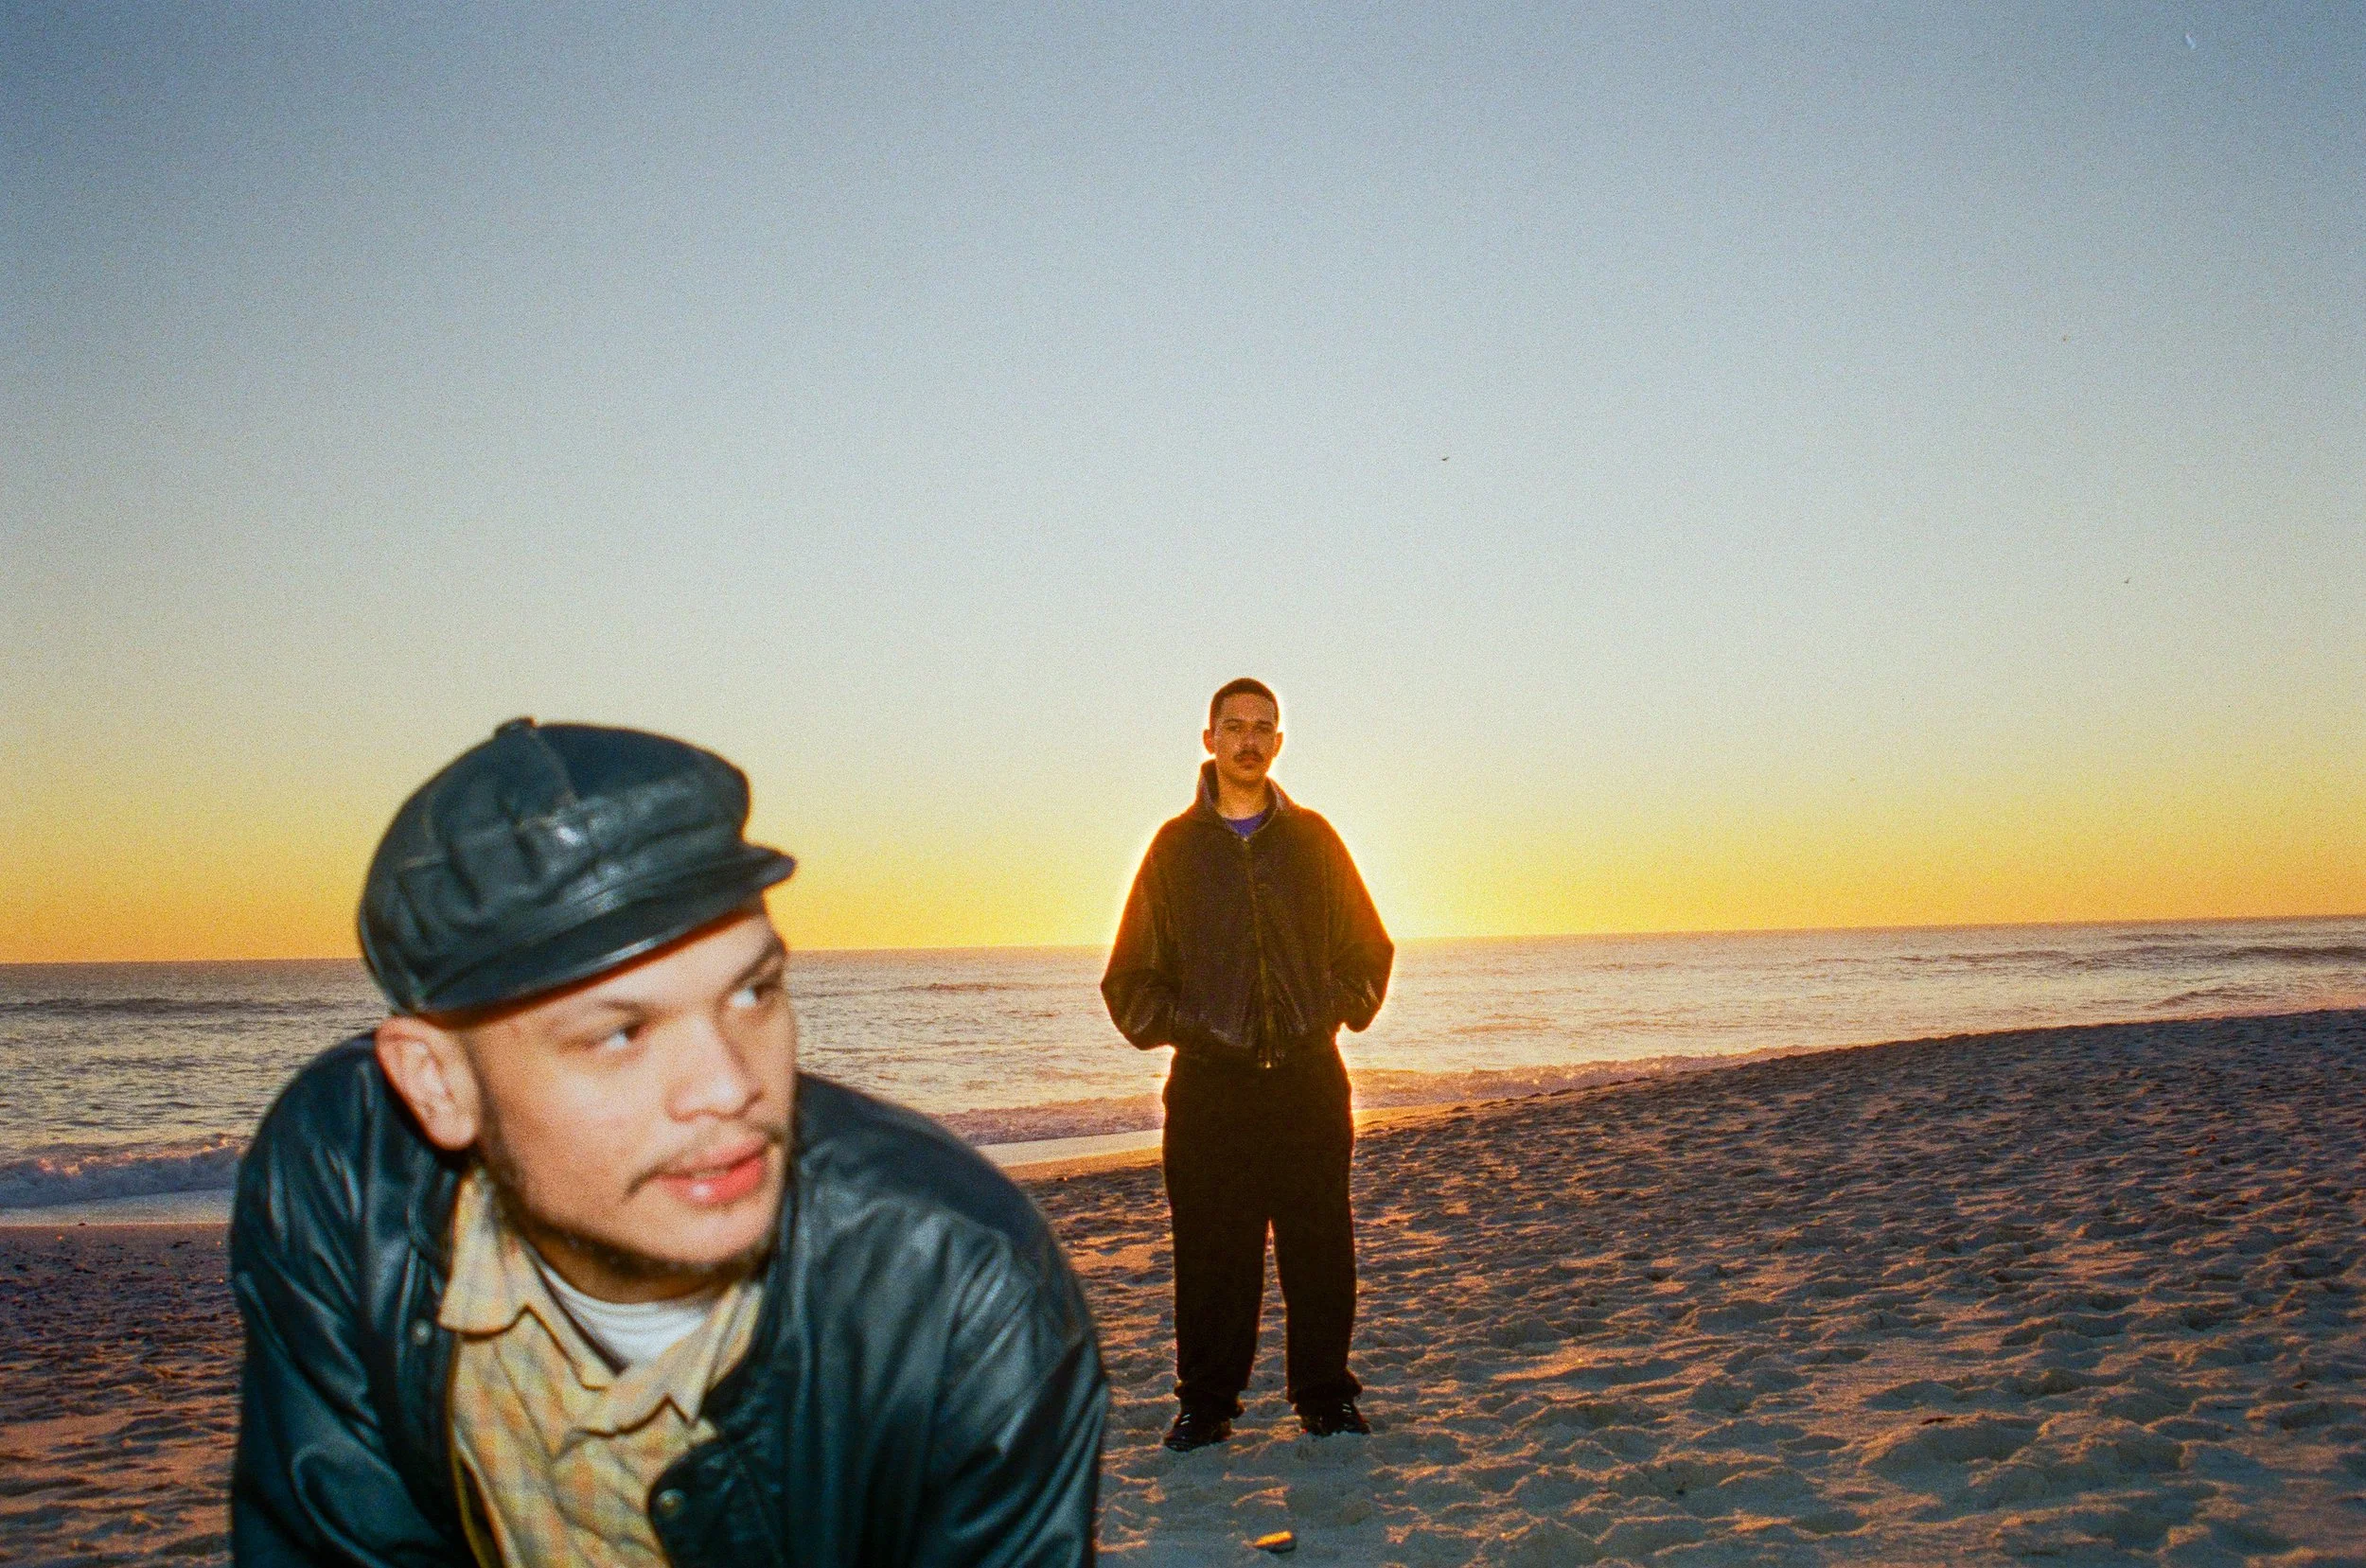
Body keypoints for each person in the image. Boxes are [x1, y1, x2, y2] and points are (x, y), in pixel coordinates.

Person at [230, 718, 1105, 1566]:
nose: (731, 1084)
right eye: (620, 1033)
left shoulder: (955, 1290)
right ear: (437, 1084)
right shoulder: (339, 1174)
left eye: (754, 992)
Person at [1100, 678, 1393, 1452]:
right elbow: (1128, 982)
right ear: (1209, 739)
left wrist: (1323, 1010)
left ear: (1280, 742)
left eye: (1264, 727)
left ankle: (1325, 1397)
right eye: (1235, 727)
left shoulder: (1315, 842)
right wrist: (1201, 1030)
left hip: (1307, 1079)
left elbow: (1369, 951)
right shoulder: (1174, 850)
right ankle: (1206, 1403)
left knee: (1321, 1247)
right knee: (1210, 1254)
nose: (1250, 740)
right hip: (1210, 1089)